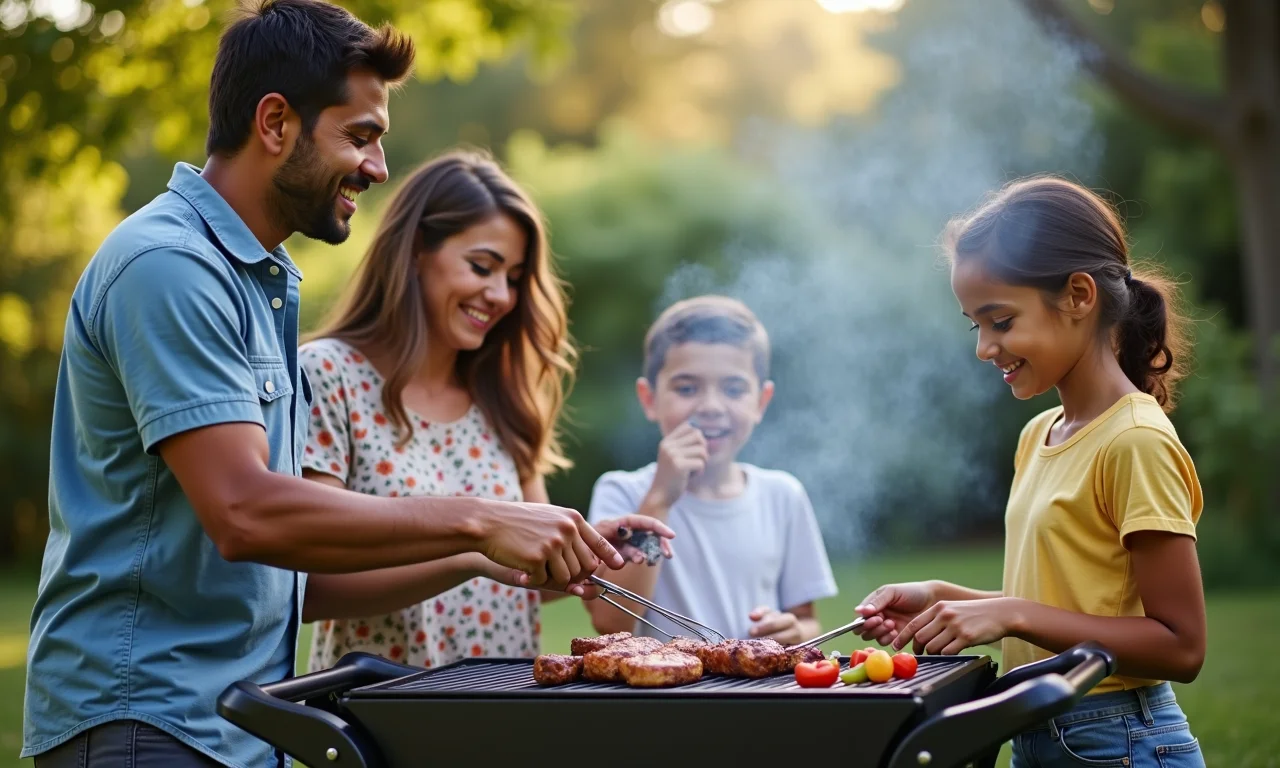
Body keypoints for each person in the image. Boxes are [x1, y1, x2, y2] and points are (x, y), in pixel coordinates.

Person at [22, 4, 635, 767]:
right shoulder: (169, 267)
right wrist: (480, 519)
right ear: (275, 122)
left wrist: (484, 553)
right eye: (360, 136)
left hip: (236, 728)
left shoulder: (254, 281)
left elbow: (291, 575)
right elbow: (244, 512)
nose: (378, 168)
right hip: (147, 723)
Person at [854, 176, 1206, 767]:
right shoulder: (1038, 436)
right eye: (976, 325)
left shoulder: (1134, 441)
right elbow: (1063, 605)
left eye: (1001, 320)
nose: (984, 348)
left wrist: (1011, 612)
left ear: (1077, 295)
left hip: (1120, 740)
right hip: (1038, 729)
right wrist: (945, 600)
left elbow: (1182, 646)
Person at [299, 149, 675, 669]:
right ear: (414, 252)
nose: (500, 294)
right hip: (376, 720)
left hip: (500, 720)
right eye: (482, 266)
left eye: (515, 277)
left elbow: (526, 582)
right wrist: (474, 556)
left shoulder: (501, 395)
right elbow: (311, 588)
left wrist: (582, 544)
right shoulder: (328, 377)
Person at [585, 296, 838, 645]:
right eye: (687, 388)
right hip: (663, 694)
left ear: (761, 402)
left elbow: (807, 620)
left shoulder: (782, 496)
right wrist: (659, 499)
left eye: (733, 389)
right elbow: (611, 621)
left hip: (759, 696)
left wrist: (794, 630)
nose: (711, 407)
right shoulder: (623, 493)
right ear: (649, 399)